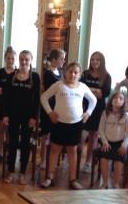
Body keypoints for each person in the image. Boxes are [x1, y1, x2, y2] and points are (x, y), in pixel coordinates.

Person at [40, 62, 96, 190]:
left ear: (80, 75)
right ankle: (49, 177)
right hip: (59, 123)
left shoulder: (83, 87)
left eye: (76, 72)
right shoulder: (58, 85)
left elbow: (93, 100)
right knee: (55, 150)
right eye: (70, 71)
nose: (73, 74)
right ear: (66, 72)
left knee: (72, 151)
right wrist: (50, 112)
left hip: (75, 124)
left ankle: (73, 179)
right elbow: (44, 97)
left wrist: (88, 113)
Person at [2, 50, 40, 185]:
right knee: (12, 143)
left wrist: (34, 117)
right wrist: (5, 115)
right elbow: (6, 98)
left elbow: (36, 100)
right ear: (19, 60)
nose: (24, 62)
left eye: (26, 59)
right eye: (22, 59)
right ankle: (11, 171)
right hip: (13, 115)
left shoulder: (35, 77)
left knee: (25, 144)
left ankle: (23, 173)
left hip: (28, 117)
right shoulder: (12, 75)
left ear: (31, 61)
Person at [80, 51, 111, 174]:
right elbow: (80, 88)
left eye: (97, 59)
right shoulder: (85, 74)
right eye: (92, 59)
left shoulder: (106, 76)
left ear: (101, 61)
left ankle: (88, 162)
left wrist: (88, 90)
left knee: (93, 137)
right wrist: (95, 91)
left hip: (98, 109)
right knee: (81, 136)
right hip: (83, 107)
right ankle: (77, 159)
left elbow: (104, 93)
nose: (94, 62)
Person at [96, 90, 128, 188]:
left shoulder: (126, 115)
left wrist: (124, 145)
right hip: (107, 142)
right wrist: (104, 142)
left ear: (124, 102)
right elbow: (101, 129)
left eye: (121, 98)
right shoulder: (105, 113)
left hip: (120, 143)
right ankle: (104, 182)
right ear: (111, 100)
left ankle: (116, 183)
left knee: (118, 161)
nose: (117, 100)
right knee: (103, 159)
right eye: (115, 98)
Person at [39, 48, 66, 170]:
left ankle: (51, 159)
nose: (63, 61)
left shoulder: (60, 73)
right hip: (48, 106)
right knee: (46, 135)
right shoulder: (48, 73)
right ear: (54, 59)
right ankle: (43, 159)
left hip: (58, 106)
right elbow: (51, 89)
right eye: (61, 59)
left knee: (53, 135)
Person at [0, 47, 16, 160]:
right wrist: (8, 90)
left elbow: (16, 92)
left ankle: (8, 154)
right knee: (1, 130)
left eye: (12, 58)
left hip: (14, 105)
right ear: (5, 59)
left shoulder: (17, 74)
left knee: (10, 131)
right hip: (2, 104)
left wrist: (5, 90)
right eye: (8, 58)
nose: (10, 61)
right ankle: (0, 152)